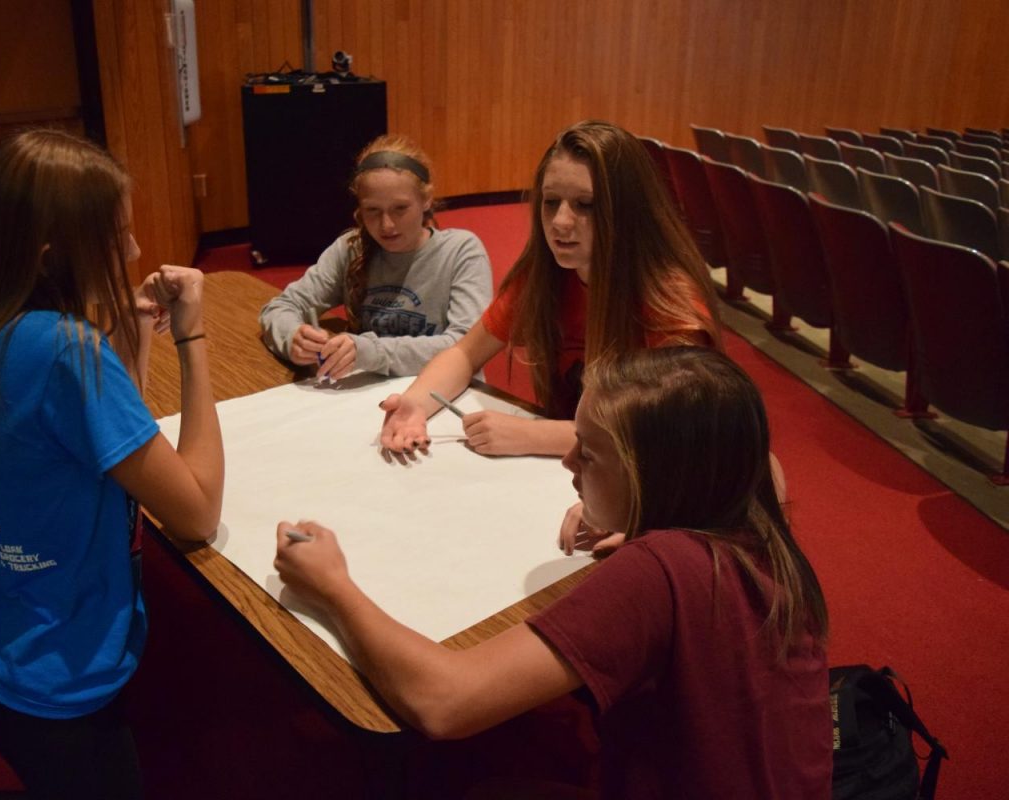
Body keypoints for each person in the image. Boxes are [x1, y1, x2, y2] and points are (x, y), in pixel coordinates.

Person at [275, 347, 831, 799]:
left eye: (587, 454)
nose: (567, 463)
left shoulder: (660, 572)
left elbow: (446, 703)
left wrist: (333, 587)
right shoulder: (760, 534)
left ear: (653, 477)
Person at [0, 129, 224, 798]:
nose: (134, 250)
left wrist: (135, 334)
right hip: (66, 691)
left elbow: (110, 434)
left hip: (12, 655)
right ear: (51, 257)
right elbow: (198, 510)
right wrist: (192, 336)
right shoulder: (69, 353)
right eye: (117, 235)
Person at [378, 121, 722, 457]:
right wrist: (417, 403)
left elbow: (666, 433)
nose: (560, 222)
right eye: (551, 202)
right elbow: (465, 353)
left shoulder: (670, 301)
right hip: (583, 468)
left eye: (585, 205)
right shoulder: (546, 276)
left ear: (628, 212)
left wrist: (535, 435)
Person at [259, 134, 493, 381]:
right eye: (373, 210)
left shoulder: (461, 251)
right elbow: (279, 307)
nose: (387, 225)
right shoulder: (352, 248)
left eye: (400, 208)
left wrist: (369, 352)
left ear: (426, 199)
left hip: (446, 392)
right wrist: (294, 337)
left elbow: (467, 347)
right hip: (372, 394)